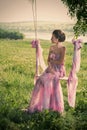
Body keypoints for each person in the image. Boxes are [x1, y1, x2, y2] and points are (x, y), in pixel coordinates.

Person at [27, 29, 66, 113]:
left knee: (46, 81)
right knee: (39, 80)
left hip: (58, 70)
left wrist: (52, 64)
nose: (51, 39)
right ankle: (34, 105)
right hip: (50, 68)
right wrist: (50, 66)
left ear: (58, 38)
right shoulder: (51, 47)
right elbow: (48, 60)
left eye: (52, 37)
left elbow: (61, 61)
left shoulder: (63, 48)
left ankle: (47, 108)